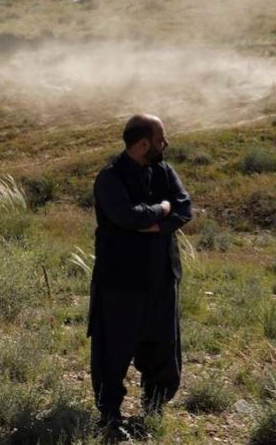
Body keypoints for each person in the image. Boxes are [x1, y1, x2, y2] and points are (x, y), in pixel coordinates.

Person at [88, 114, 194, 437]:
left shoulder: (164, 170)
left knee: (162, 345)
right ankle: (110, 416)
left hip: (161, 277)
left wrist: (154, 224)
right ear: (143, 143)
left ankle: (154, 407)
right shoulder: (110, 178)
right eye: (161, 139)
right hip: (120, 281)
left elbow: (185, 207)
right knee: (114, 348)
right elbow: (126, 216)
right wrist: (161, 210)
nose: (166, 144)